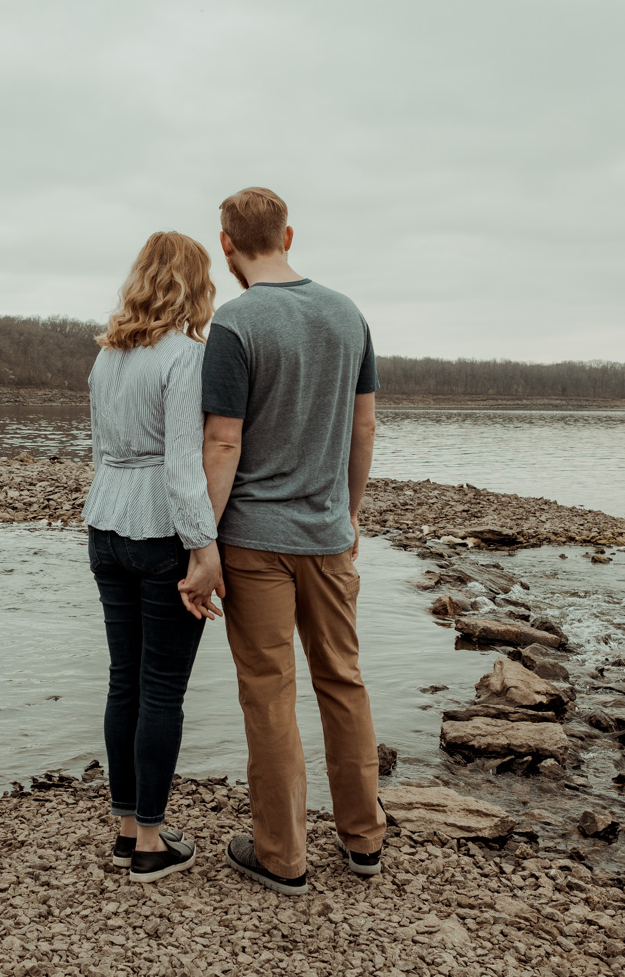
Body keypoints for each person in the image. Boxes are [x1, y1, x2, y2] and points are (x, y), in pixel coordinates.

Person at [199, 187, 387, 895]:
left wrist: (203, 542)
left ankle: (283, 856)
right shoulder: (348, 313)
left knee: (269, 692)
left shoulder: (235, 325)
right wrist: (349, 513)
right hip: (327, 534)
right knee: (343, 678)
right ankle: (364, 839)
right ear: (288, 234)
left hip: (252, 539)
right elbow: (364, 429)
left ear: (226, 244)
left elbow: (222, 442)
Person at [81, 230, 226, 883]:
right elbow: (182, 468)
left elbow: (100, 454)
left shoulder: (107, 356)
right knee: (162, 691)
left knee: (125, 681)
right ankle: (148, 844)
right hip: (161, 534)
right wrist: (205, 551)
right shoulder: (185, 357)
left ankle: (121, 829)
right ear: (194, 287)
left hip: (104, 526)